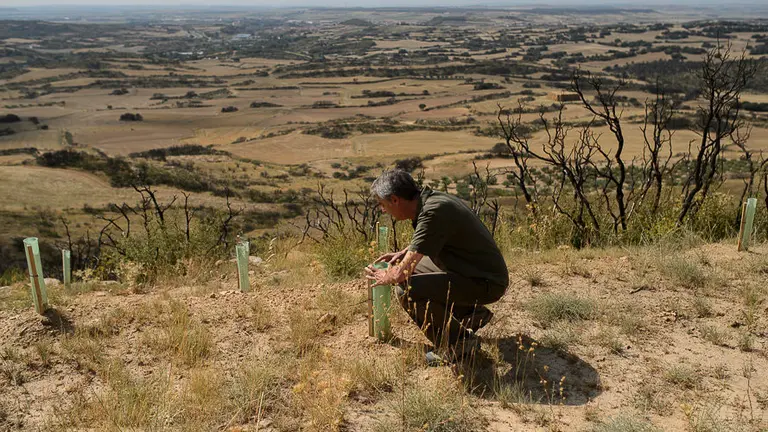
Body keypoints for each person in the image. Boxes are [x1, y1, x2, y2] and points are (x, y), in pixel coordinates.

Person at [364, 170, 508, 364]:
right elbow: (431, 235)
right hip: (473, 271)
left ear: (395, 200)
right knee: (412, 267)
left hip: (486, 282)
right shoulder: (431, 201)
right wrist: (403, 254)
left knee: (407, 288)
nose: (383, 210)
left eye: (383, 204)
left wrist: (385, 275)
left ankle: (458, 344)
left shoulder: (433, 211)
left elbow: (400, 274)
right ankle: (471, 314)